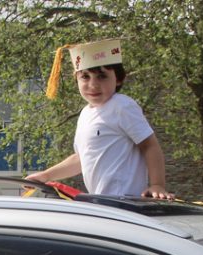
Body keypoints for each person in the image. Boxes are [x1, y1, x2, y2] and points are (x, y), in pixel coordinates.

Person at [26, 39, 172, 200]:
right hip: (102, 202)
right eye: (85, 77)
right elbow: (82, 158)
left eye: (102, 76)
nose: (93, 85)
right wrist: (46, 175)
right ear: (76, 79)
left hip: (126, 201)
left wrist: (158, 184)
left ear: (118, 79)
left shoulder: (122, 105)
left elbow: (149, 145)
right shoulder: (85, 114)